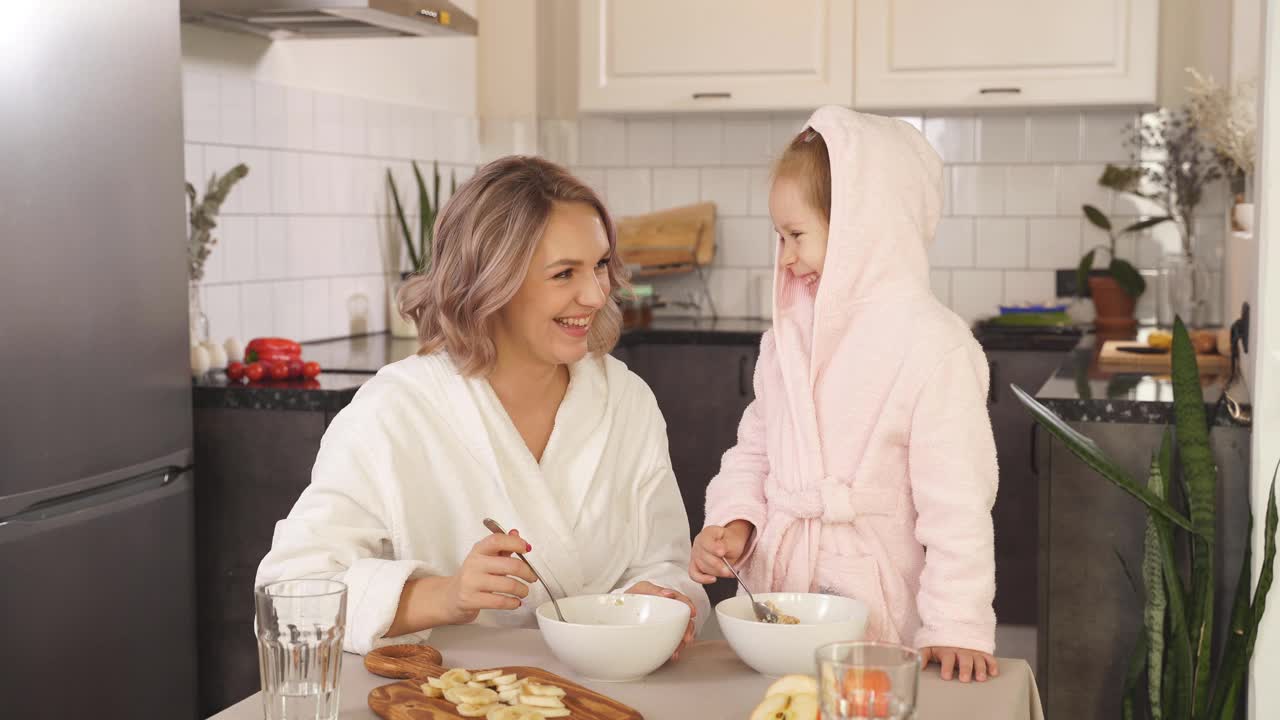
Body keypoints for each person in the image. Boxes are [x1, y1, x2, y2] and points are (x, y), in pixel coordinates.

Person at [258, 155, 708, 657]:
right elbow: (291, 593)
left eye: (601, 265)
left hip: (603, 692)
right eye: (564, 274)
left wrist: (657, 600)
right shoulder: (396, 410)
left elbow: (666, 564)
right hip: (447, 698)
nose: (596, 293)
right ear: (492, 282)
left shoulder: (625, 401)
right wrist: (445, 595)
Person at [690, 106, 1000, 682]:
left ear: (863, 229)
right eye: (778, 236)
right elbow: (754, 452)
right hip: (781, 607)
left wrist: (957, 622)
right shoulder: (786, 340)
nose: (784, 256)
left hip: (878, 618)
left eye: (797, 235)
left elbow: (957, 505)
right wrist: (736, 521)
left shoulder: (934, 346)